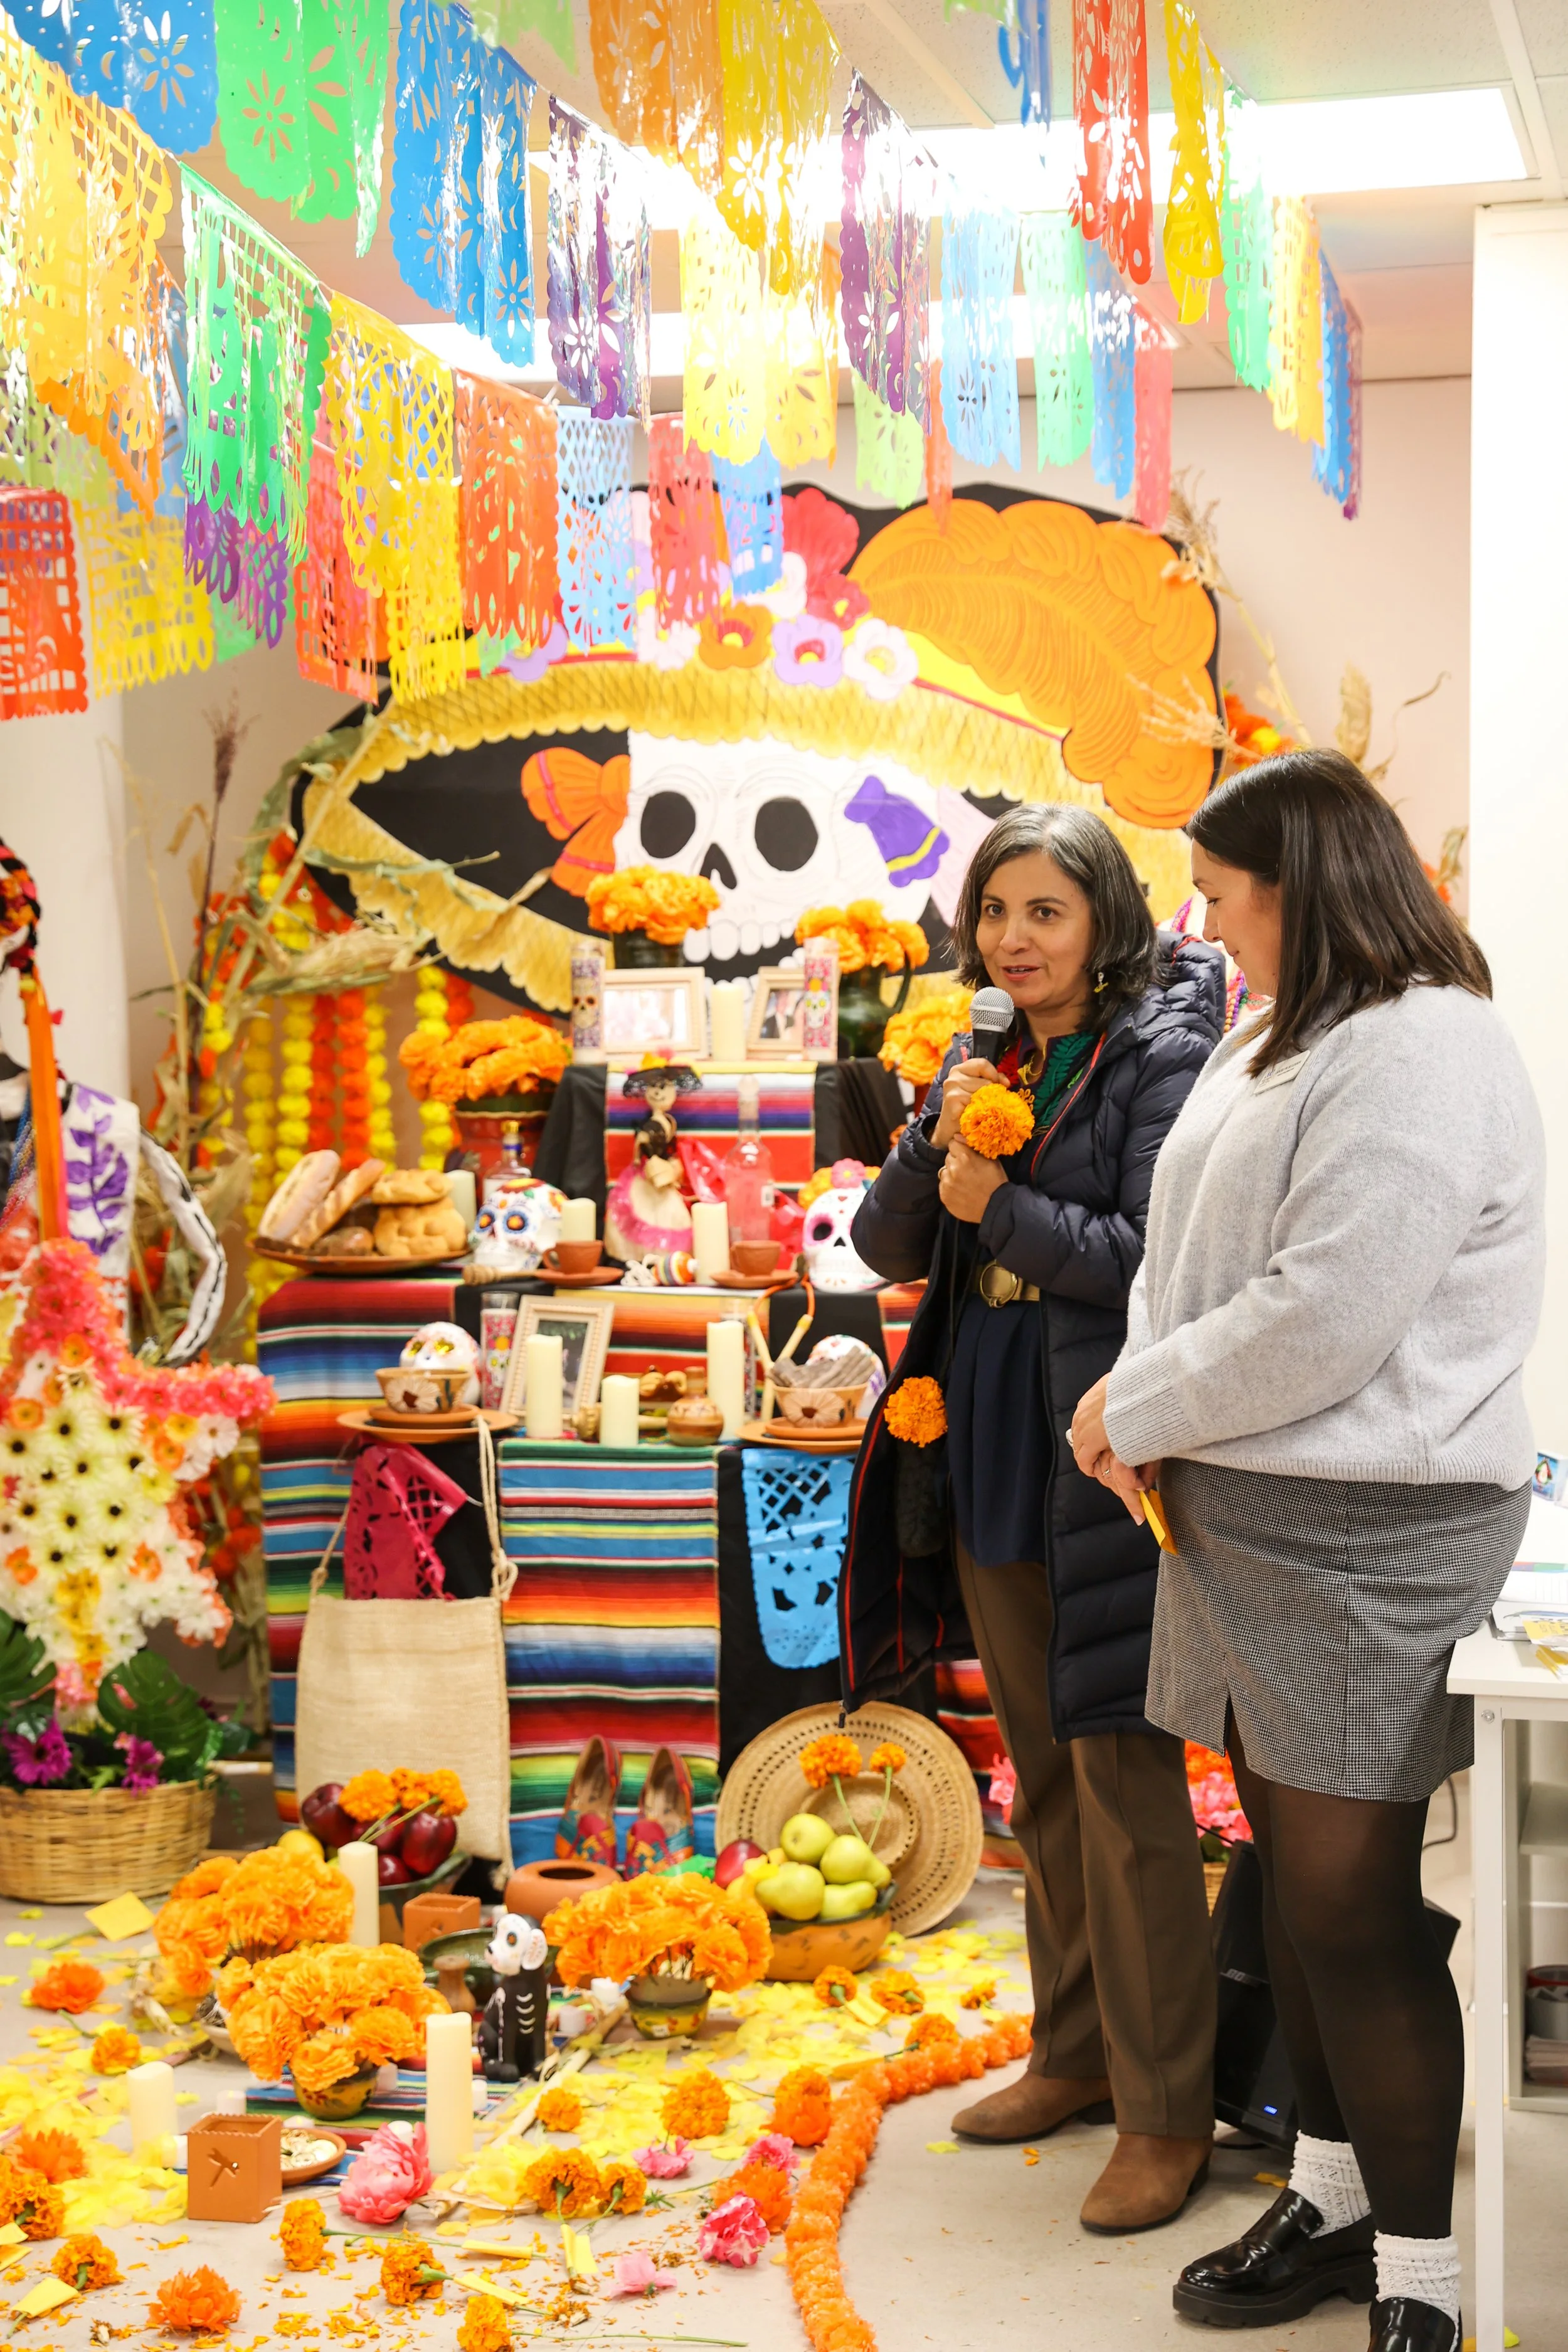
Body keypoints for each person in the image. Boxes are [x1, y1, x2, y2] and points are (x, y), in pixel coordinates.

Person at [1070, 751, 1545, 2352]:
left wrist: (1138, 1402)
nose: (1201, 929)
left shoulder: (1425, 1047)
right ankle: (1332, 2201)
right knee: (1287, 1882)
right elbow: (1182, 1254)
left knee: (1350, 1910)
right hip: (1239, 1507)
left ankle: (1424, 2278)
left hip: (1365, 1525)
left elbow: (1326, 1315)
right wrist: (1141, 1404)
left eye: (1218, 898)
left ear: (1304, 885)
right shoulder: (1275, 1030)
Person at [839, 803, 1226, 2233]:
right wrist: (932, 1139)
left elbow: (1148, 1265)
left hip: (1101, 1441)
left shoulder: (1160, 1052)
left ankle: (1163, 2111)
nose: (1014, 937)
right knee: (1040, 1771)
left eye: (1044, 911)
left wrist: (996, 1207)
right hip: (986, 1421)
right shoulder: (977, 1047)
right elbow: (885, 1244)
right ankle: (1068, 2053)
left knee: (1125, 1786)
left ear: (1104, 919)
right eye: (995, 911)